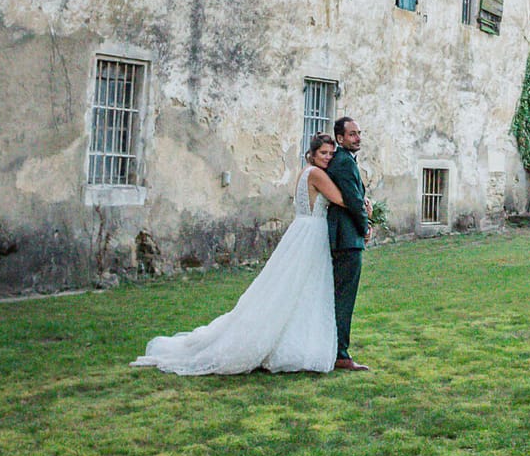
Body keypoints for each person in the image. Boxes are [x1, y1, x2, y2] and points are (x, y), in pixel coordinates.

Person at [129, 133, 351, 375]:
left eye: (331, 153)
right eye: (324, 153)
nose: (328, 158)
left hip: (302, 231)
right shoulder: (317, 174)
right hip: (311, 233)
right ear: (313, 153)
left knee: (298, 287)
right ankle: (291, 345)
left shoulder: (305, 171)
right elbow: (342, 199)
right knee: (302, 286)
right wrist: (365, 206)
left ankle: (294, 340)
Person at [326, 116, 372, 371]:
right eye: (352, 134)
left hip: (345, 237)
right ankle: (340, 353)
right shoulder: (343, 163)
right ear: (340, 138)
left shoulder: (345, 161)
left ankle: (336, 349)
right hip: (346, 239)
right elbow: (353, 201)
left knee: (340, 296)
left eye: (359, 133)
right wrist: (365, 227)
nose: (357, 138)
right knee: (344, 298)